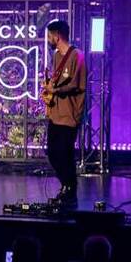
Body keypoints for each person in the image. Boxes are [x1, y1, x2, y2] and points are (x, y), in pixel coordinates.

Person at [42, 20, 86, 205]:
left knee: (65, 154)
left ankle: (70, 191)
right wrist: (49, 88)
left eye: (49, 36)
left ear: (57, 35)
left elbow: (75, 84)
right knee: (52, 153)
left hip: (69, 115)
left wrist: (57, 90)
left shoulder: (77, 56)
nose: (48, 39)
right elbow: (57, 80)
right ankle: (66, 186)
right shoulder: (56, 56)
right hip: (55, 114)